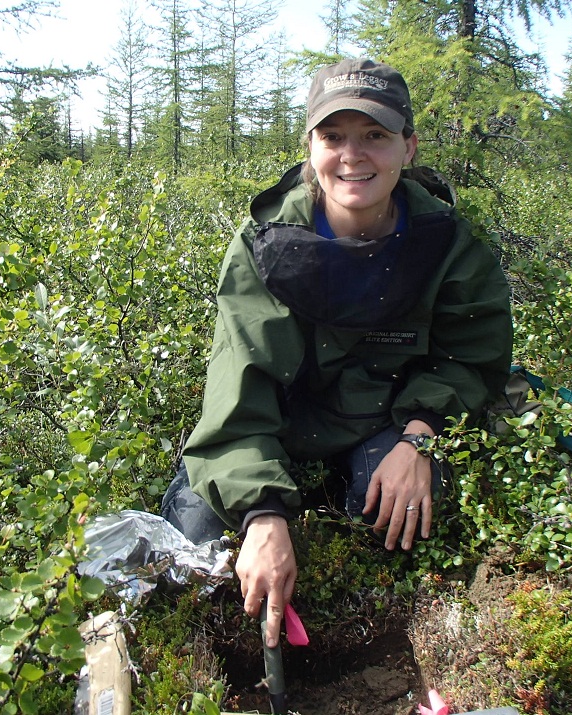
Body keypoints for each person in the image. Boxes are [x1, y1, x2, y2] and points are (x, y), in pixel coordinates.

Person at [161, 58, 513, 649]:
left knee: (398, 519)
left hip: (385, 424)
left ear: (408, 146)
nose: (353, 155)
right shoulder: (266, 247)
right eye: (333, 136)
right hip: (278, 429)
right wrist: (262, 513)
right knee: (196, 546)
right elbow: (238, 391)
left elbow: (470, 357)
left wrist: (421, 435)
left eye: (374, 135)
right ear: (310, 147)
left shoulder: (450, 244)